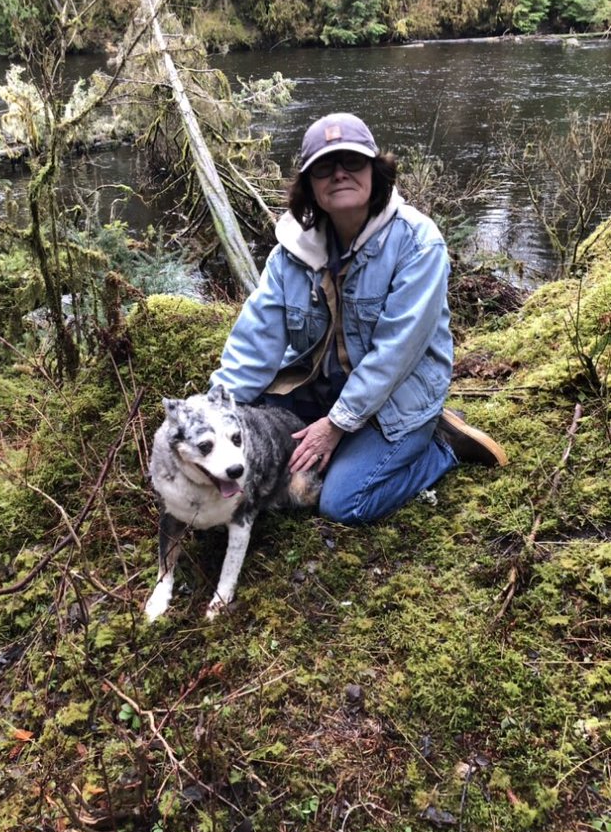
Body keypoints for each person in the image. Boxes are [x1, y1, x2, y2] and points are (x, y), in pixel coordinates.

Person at [210, 112, 507, 526]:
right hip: (324, 387)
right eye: (324, 167)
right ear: (310, 186)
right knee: (238, 431)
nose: (339, 175)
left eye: (352, 161)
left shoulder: (418, 244)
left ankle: (443, 447)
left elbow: (395, 355)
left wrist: (335, 426)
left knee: (343, 503)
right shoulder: (290, 253)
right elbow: (255, 339)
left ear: (375, 171)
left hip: (398, 396)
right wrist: (213, 410)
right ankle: (351, 442)